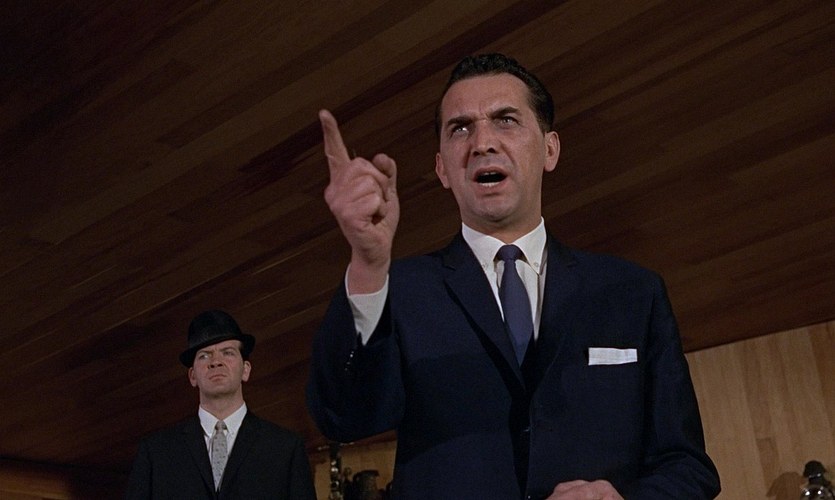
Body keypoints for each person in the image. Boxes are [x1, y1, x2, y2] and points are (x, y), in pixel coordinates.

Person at [306, 53, 721, 499]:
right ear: (442, 168)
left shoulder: (631, 293)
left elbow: (688, 468)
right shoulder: (401, 290)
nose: (482, 142)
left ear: (549, 150)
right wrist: (368, 265)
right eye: (460, 128)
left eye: (505, 120)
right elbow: (343, 417)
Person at [125, 309, 317, 500]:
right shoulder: (156, 452)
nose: (216, 362)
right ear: (192, 376)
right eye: (204, 355)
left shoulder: (285, 448)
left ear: (246, 370)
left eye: (228, 353)